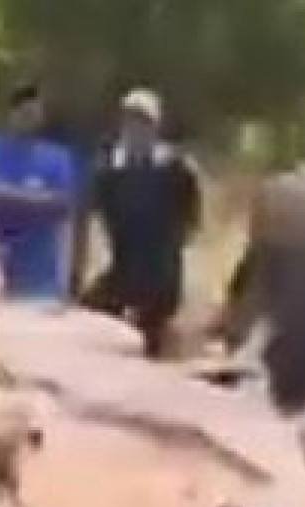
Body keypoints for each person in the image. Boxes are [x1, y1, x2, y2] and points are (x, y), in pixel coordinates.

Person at [85, 88, 203, 353]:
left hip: (161, 274)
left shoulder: (176, 167)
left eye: (144, 121)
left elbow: (192, 219)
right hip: (124, 269)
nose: (137, 128)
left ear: (156, 125)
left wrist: (172, 249)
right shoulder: (110, 169)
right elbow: (99, 217)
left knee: (154, 344)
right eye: (131, 120)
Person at [0, 84, 82, 304]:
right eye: (24, 113)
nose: (30, 119)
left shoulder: (57, 158)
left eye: (35, 114)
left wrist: (10, 197)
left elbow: (63, 206)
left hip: (42, 277)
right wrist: (38, 202)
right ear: (11, 115)